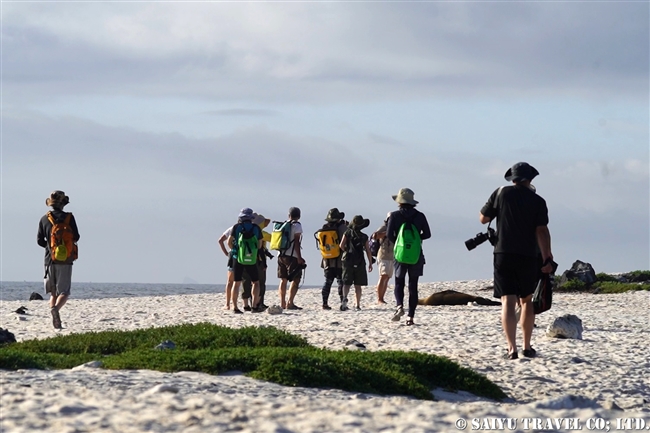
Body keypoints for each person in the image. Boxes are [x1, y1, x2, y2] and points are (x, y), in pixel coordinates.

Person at [479, 162, 553, 360]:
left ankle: (511, 349)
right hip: (528, 255)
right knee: (527, 300)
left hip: (503, 252)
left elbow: (483, 218)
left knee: (507, 301)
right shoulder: (538, 201)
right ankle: (527, 347)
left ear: (512, 178)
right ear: (530, 179)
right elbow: (542, 231)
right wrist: (547, 257)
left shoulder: (501, 193)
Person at [386, 188, 431, 326]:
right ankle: (410, 317)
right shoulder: (420, 216)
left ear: (399, 201)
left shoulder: (394, 216)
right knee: (413, 285)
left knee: (399, 282)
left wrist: (400, 242)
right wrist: (416, 239)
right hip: (416, 254)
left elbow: (389, 235)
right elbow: (428, 234)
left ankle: (399, 306)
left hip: (400, 254)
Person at [37, 190, 80, 329]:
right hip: (66, 259)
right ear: (63, 204)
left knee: (53, 292)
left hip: (49, 260)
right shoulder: (69, 218)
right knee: (64, 292)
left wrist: (50, 248)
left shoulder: (44, 219)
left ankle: (53, 311)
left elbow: (39, 240)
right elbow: (77, 237)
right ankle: (55, 310)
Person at [227, 208, 264, 314]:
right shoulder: (256, 228)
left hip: (237, 258)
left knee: (237, 283)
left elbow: (229, 242)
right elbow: (260, 245)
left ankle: (235, 307)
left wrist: (235, 250)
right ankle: (254, 306)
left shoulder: (236, 227)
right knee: (255, 282)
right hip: (252, 258)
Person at [339, 215, 373, 311]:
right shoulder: (364, 236)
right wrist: (370, 263)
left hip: (347, 260)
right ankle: (357, 305)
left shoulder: (347, 233)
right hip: (359, 261)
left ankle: (345, 299)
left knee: (346, 282)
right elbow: (368, 250)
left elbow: (341, 245)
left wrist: (346, 250)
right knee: (358, 285)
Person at [317, 208, 347, 310]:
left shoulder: (324, 228)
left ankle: (324, 303)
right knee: (340, 281)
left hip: (327, 260)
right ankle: (342, 304)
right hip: (339, 259)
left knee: (327, 282)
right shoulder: (342, 227)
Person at [242, 213, 272, 311]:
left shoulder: (246, 230)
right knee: (260, 283)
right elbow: (274, 239)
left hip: (247, 259)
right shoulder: (262, 233)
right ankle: (259, 303)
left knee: (248, 282)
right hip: (259, 260)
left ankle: (249, 303)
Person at [277, 207, 304, 310]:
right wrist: (299, 257)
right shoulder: (297, 225)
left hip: (280, 254)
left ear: (289, 215)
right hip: (292, 255)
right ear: (299, 216)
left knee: (283, 280)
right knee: (296, 278)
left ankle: (282, 303)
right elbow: (296, 242)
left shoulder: (283, 224)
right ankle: (290, 303)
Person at [371, 213, 394, 304]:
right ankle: (379, 298)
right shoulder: (384, 227)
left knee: (387, 277)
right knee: (383, 276)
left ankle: (382, 298)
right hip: (383, 255)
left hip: (392, 256)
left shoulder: (396, 227)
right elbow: (375, 236)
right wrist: (386, 233)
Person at [218, 226, 237, 310]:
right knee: (248, 282)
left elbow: (220, 240)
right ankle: (247, 304)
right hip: (249, 257)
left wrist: (226, 253)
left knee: (230, 281)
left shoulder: (233, 228)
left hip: (234, 256)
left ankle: (228, 304)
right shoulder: (253, 228)